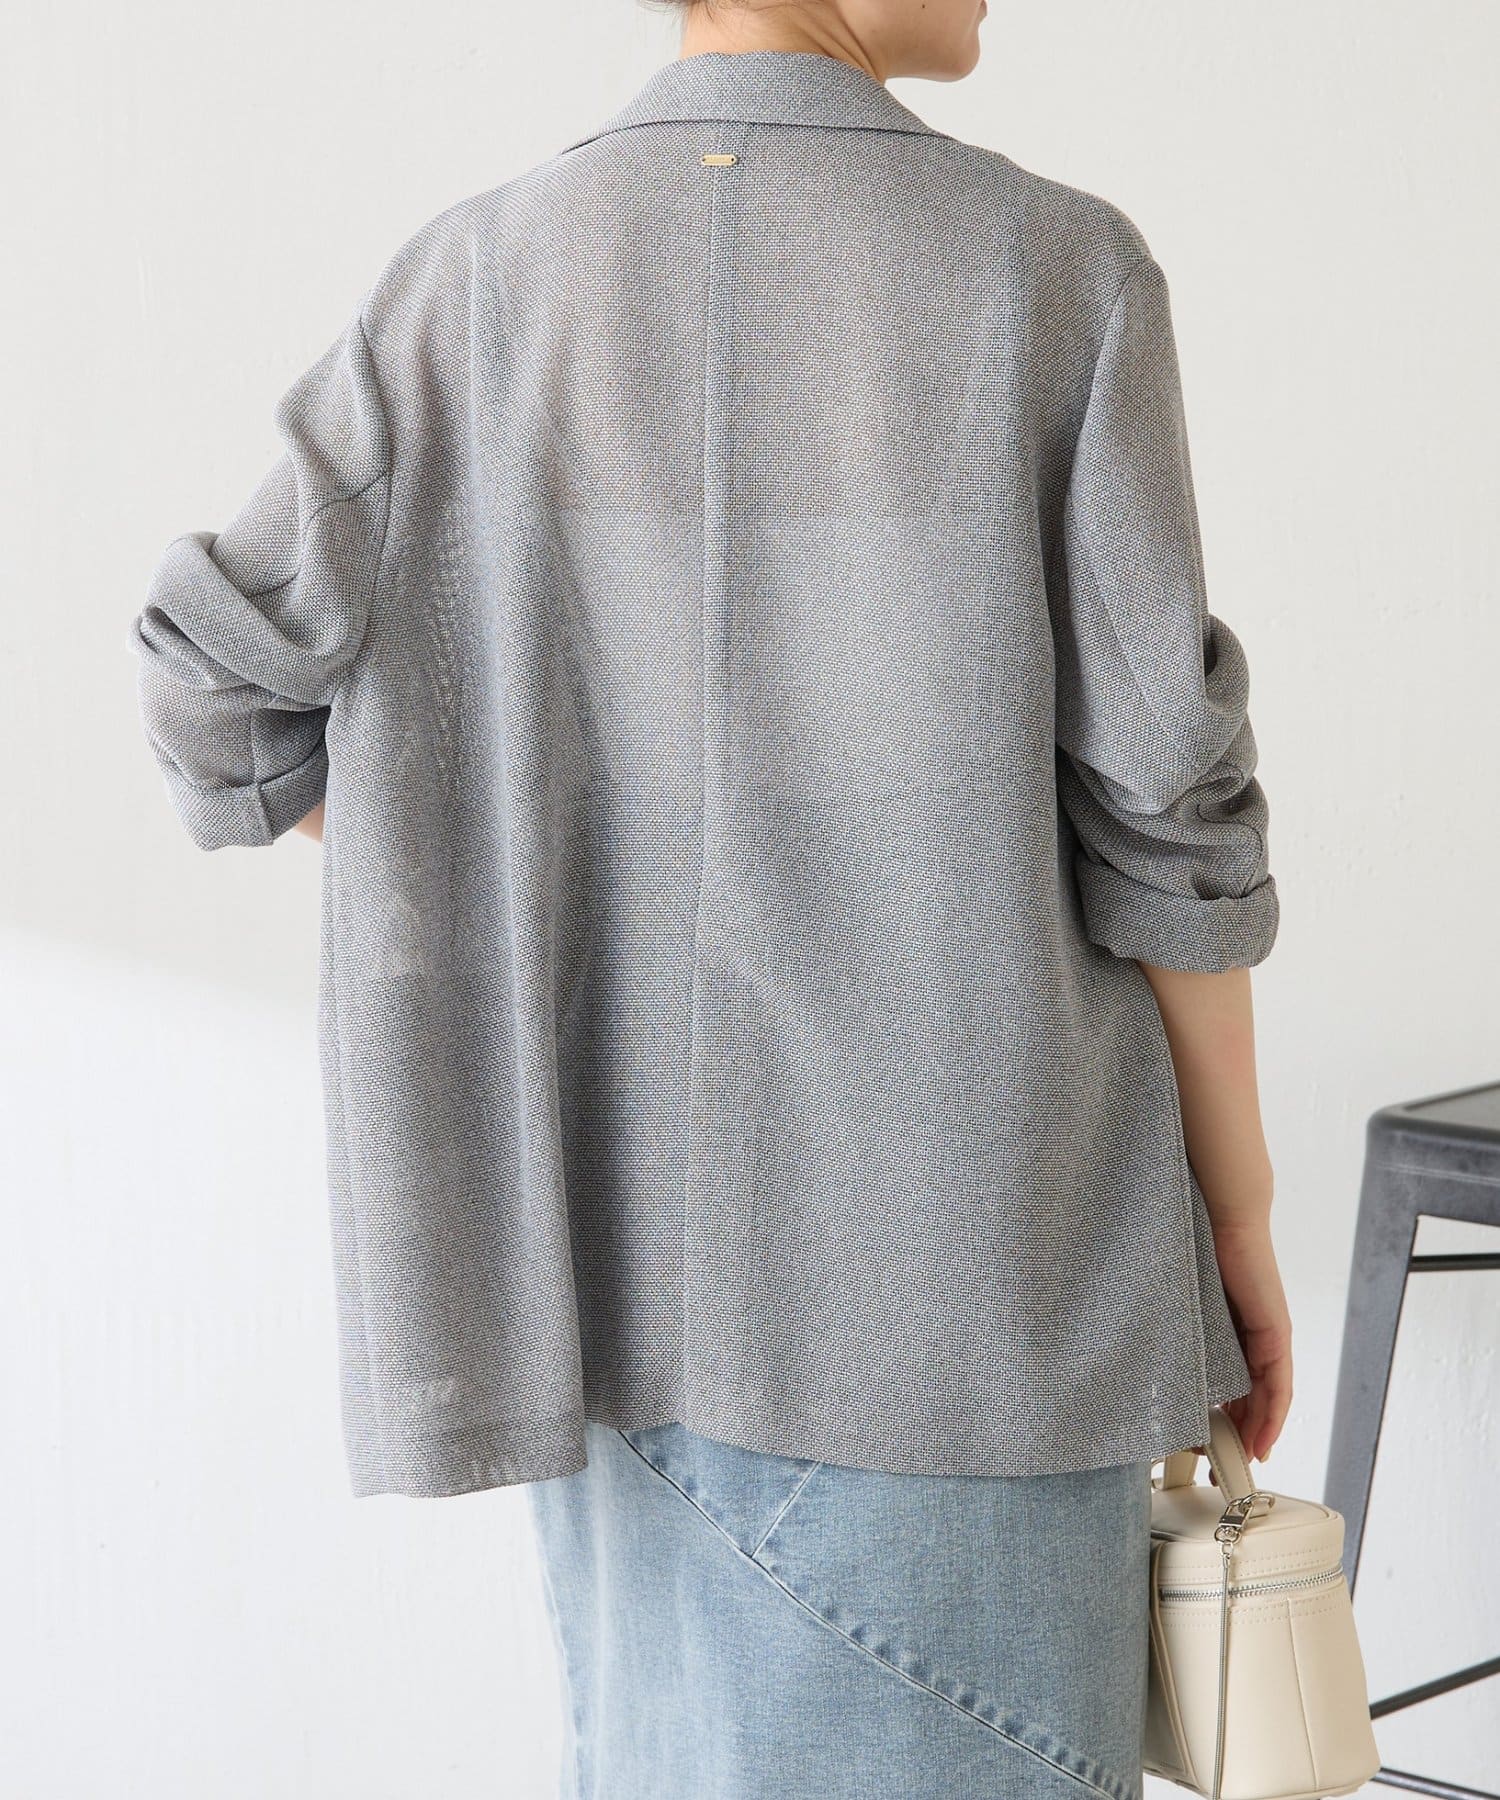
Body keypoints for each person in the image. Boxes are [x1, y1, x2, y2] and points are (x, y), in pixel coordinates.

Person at [127, 0, 1293, 1792]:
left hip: (609, 1289)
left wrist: (505, 853)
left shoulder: (474, 282)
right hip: (976, 1296)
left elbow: (216, 691)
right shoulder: (1052, 270)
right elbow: (1167, 803)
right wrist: (1241, 1220)